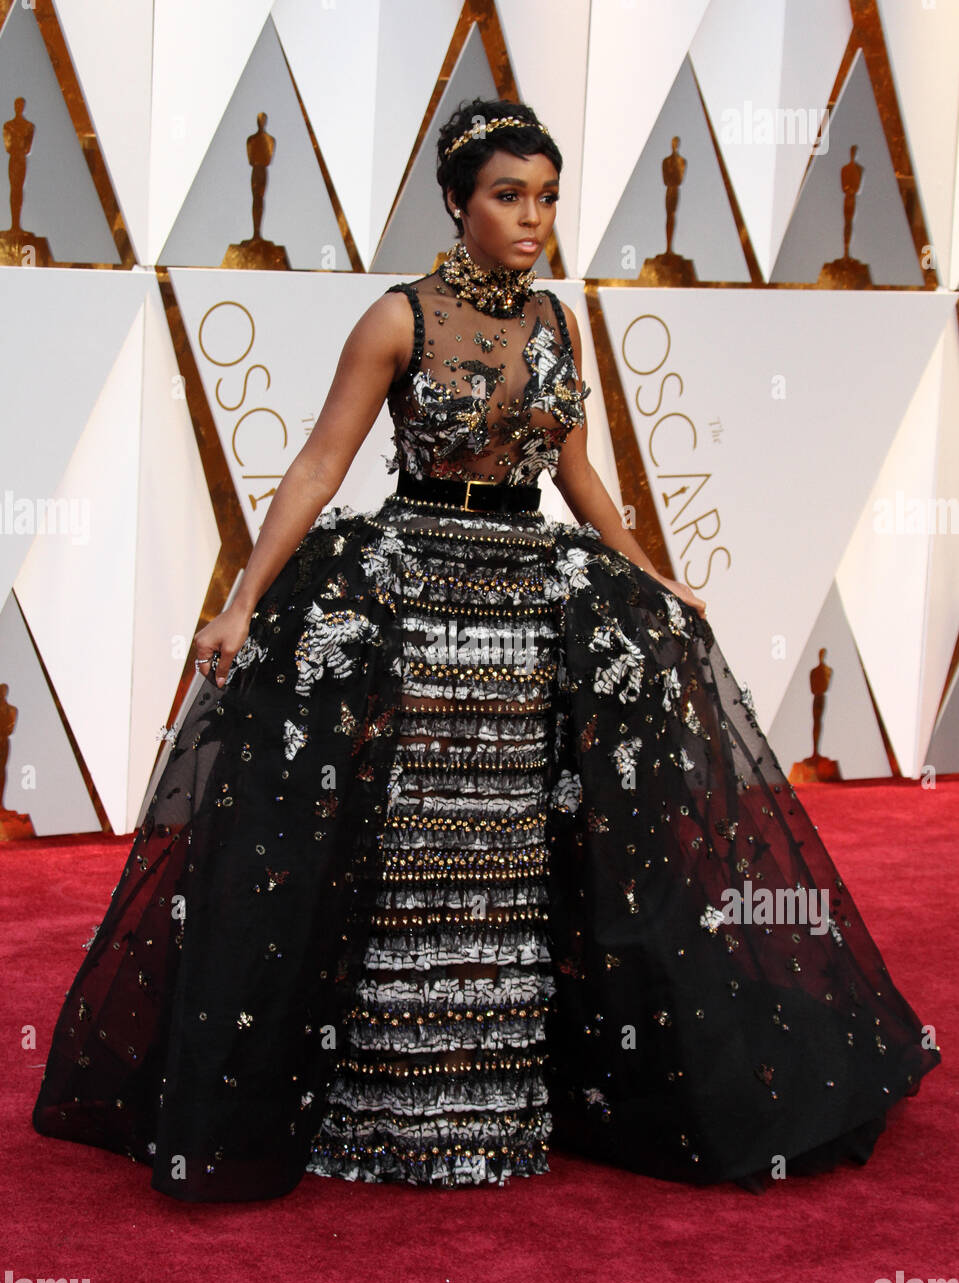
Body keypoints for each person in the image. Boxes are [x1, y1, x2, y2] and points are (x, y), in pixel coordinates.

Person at [32, 97, 939, 1202]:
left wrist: (644, 568)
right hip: (414, 599)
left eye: (546, 197)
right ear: (456, 202)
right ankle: (376, 1114)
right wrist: (237, 603)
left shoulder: (554, 322)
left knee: (509, 858)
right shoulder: (397, 319)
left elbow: (572, 467)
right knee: (412, 852)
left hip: (526, 606)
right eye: (507, 195)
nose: (531, 218)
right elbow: (318, 466)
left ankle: (502, 1107)